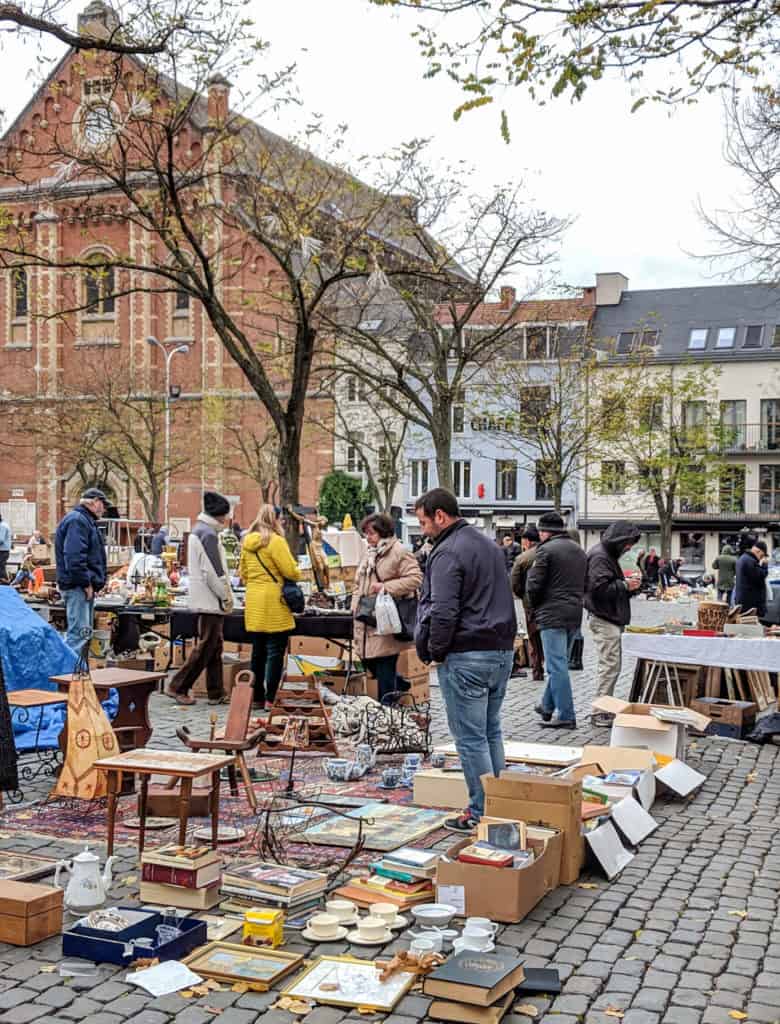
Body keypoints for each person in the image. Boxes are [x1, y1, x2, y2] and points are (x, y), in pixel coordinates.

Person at [415, 488, 516, 832]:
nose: (423, 530)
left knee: (472, 738)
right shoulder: (488, 544)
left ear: (440, 516)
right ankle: (497, 804)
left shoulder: (447, 552)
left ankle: (480, 812)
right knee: (490, 730)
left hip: (467, 654)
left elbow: (443, 611)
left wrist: (436, 652)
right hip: (500, 650)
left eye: (424, 522)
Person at [166, 491, 233, 705]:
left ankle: (216, 691)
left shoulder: (200, 531)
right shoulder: (209, 535)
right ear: (219, 515)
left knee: (214, 644)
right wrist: (225, 595)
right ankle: (178, 685)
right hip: (210, 598)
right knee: (207, 644)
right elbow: (213, 571)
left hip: (204, 596)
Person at [352, 512, 422, 704]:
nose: (368, 537)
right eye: (366, 533)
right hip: (366, 617)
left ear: (383, 532)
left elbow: (415, 578)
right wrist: (354, 605)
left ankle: (387, 711)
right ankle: (399, 684)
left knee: (384, 664)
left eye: (371, 533)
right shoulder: (369, 553)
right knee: (368, 660)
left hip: (386, 618)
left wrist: (386, 587)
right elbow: (358, 582)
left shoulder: (399, 551)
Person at [526, 511, 586, 730]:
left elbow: (533, 585)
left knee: (555, 666)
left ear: (543, 532)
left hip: (552, 614)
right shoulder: (579, 550)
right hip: (573, 614)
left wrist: (533, 607)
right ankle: (546, 705)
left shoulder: (545, 550)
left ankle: (567, 714)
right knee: (559, 663)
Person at [240, 504, 302, 709]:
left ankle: (255, 697)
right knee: (275, 651)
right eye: (281, 518)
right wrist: (296, 571)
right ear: (275, 519)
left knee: (257, 652)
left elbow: (243, 574)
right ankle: (270, 698)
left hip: (254, 599)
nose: (283, 521)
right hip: (274, 601)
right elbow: (291, 572)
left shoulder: (247, 542)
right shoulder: (276, 542)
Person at [584, 521, 642, 726]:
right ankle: (600, 712)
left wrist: (629, 587)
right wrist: (626, 585)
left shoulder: (606, 555)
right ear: (620, 541)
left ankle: (602, 709)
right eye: (628, 543)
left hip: (608, 616)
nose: (629, 548)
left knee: (610, 666)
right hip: (604, 618)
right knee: (609, 667)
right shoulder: (601, 556)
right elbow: (598, 589)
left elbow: (605, 586)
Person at [54, 488, 108, 656]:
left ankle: (77, 677)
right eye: (103, 504)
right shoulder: (78, 520)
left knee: (82, 634)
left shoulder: (82, 519)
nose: (104, 509)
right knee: (78, 636)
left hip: (80, 585)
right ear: (94, 501)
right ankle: (69, 678)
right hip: (78, 587)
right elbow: (75, 557)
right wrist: (85, 583)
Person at [511, 525, 544, 681]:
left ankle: (538, 669)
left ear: (527, 541)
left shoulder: (523, 558)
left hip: (530, 604)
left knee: (534, 637)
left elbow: (515, 583)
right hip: (550, 604)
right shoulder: (549, 552)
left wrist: (522, 595)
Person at [566, 527, 585, 671]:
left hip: (568, 595)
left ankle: (572, 658)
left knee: (570, 630)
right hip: (578, 596)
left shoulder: (568, 555)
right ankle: (576, 659)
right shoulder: (582, 554)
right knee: (576, 629)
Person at [734, 538, 769, 617]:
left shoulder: (744, 559)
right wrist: (764, 565)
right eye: (762, 555)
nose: (761, 558)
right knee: (749, 626)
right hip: (749, 604)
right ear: (758, 551)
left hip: (744, 601)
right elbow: (760, 577)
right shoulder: (750, 561)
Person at [0, 514, 10, 582]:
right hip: (4, 550)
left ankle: (5, 582)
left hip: (2, 551)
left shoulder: (2, 526)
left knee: (1, 567)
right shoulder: (4, 524)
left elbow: (1, 539)